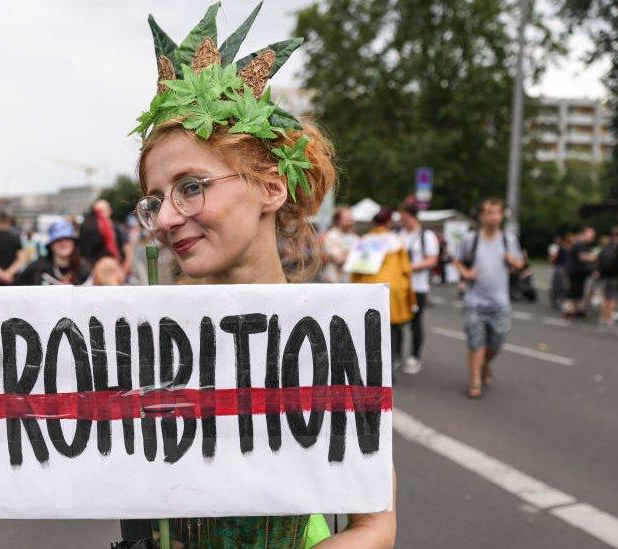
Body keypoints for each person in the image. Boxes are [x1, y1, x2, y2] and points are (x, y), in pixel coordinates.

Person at [133, 9, 396, 540]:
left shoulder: (328, 337)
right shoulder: (139, 338)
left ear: (271, 189)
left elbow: (374, 527)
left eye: (190, 186)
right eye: (154, 199)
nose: (163, 218)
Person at [453, 198, 525, 398]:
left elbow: (520, 264)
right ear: (482, 216)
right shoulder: (471, 239)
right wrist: (465, 273)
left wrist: (514, 262)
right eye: (489, 213)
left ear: (501, 216)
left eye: (497, 213)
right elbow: (457, 260)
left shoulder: (508, 239)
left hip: (500, 302)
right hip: (474, 301)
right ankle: (475, 381)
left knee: (496, 344)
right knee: (476, 343)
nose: (493, 217)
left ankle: (484, 365)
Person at [349, 208, 415, 370]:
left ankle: (371, 369)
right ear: (389, 222)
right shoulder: (397, 242)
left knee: (369, 333)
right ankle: (390, 370)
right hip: (392, 292)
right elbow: (406, 269)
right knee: (391, 332)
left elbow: (355, 271)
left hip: (368, 292)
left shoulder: (364, 241)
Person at [399, 197, 438, 374]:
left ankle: (415, 357)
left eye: (404, 217)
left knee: (415, 323)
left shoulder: (426, 236)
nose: (402, 220)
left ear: (412, 216)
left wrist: (410, 267)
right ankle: (398, 355)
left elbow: (432, 260)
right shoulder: (400, 235)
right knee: (397, 322)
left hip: (418, 287)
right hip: (401, 286)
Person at [16, 220, 90, 286]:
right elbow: (15, 287)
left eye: (67, 239)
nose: (63, 243)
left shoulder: (83, 269)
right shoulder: (38, 267)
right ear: (51, 245)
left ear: (73, 243)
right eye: (58, 240)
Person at [79, 200, 133, 277]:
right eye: (97, 211)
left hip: (117, 272)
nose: (100, 214)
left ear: (110, 211)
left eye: (103, 210)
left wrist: (123, 274)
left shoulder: (118, 229)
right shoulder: (91, 230)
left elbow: (129, 254)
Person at [595, 228, 618, 324]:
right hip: (617, 275)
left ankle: (603, 316)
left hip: (605, 275)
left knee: (605, 296)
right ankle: (609, 317)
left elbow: (599, 259)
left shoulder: (606, 246)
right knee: (614, 297)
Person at [563, 226, 596, 317]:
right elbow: (582, 257)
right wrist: (593, 257)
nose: (591, 239)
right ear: (584, 234)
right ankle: (570, 309)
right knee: (574, 291)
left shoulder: (584, 245)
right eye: (590, 236)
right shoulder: (579, 244)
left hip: (581, 272)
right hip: (575, 272)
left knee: (579, 292)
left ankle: (577, 309)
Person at [320, 205, 358, 283]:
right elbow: (339, 259)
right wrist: (356, 252)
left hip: (350, 281)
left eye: (351, 219)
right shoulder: (331, 236)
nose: (350, 222)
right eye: (347, 219)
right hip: (334, 282)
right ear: (338, 220)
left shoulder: (354, 237)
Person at [547, 235, 568, 309]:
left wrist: (551, 260)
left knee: (557, 284)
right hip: (564, 267)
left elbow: (554, 257)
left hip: (560, 268)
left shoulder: (559, 247)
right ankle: (560, 300)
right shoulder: (565, 247)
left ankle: (556, 300)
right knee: (562, 285)